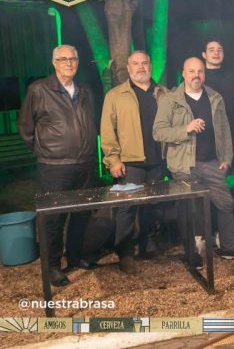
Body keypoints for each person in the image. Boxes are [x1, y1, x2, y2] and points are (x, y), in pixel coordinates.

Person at [153, 57, 234, 261]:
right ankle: (192, 254)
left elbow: (224, 129)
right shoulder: (171, 100)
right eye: (191, 71)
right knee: (190, 209)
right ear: (183, 74)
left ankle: (228, 248)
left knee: (226, 204)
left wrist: (227, 157)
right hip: (184, 165)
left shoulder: (215, 97)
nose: (196, 75)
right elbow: (158, 132)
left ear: (204, 74)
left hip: (212, 163)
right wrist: (186, 129)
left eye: (200, 71)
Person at [18, 44, 97, 287]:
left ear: (78, 62)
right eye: (63, 59)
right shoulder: (39, 90)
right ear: (54, 63)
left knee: (82, 213)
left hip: (85, 164)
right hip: (54, 167)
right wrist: (45, 151)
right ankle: (52, 265)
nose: (69, 63)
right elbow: (26, 128)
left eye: (73, 59)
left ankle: (75, 255)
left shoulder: (85, 90)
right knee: (54, 218)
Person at [101, 51, 168, 274]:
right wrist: (113, 160)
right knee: (127, 209)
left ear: (151, 66)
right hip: (130, 163)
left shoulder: (163, 93)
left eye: (144, 63)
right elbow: (107, 131)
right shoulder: (116, 95)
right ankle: (125, 252)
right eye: (136, 64)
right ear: (128, 68)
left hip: (158, 161)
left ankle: (147, 245)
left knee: (152, 205)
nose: (141, 67)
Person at [201, 40, 234, 149]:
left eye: (219, 50)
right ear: (204, 55)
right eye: (211, 50)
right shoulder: (198, 77)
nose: (216, 53)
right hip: (205, 135)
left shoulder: (233, 77)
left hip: (230, 134)